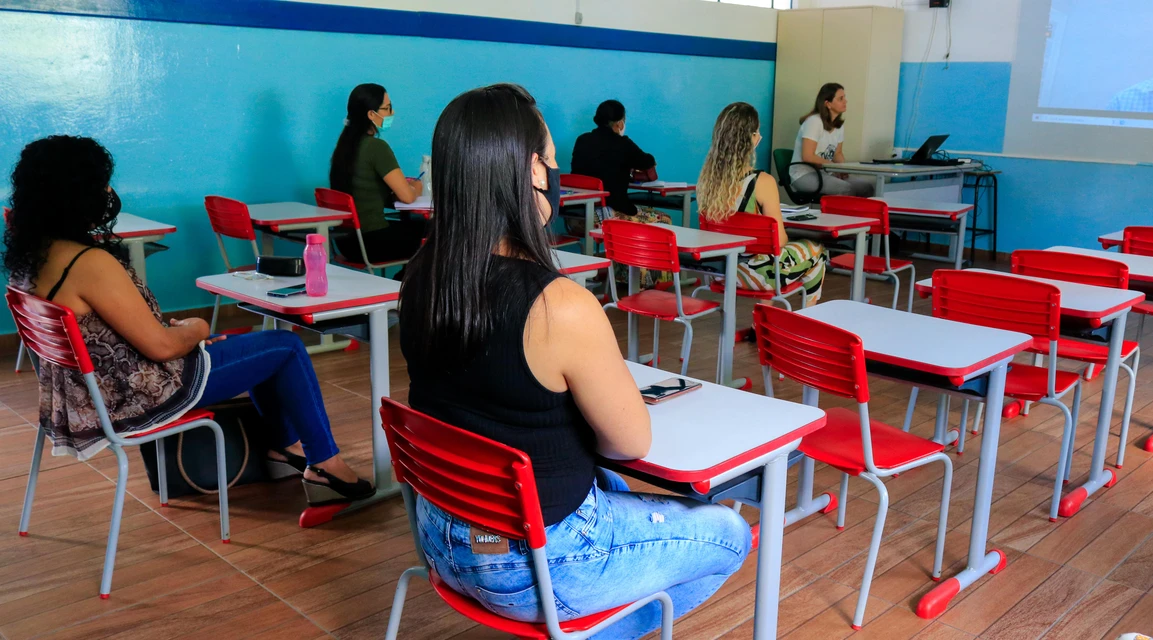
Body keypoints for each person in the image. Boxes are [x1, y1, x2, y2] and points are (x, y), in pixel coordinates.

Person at [399, 84, 750, 639]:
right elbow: (630, 442)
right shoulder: (558, 304)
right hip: (532, 566)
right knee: (731, 534)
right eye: (552, 159)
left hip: (442, 538)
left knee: (610, 484)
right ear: (531, 171)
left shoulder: (420, 277)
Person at [4, 135, 374, 507]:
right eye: (102, 183)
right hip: (142, 394)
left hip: (97, 394)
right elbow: (161, 347)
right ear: (76, 193)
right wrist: (196, 330)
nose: (109, 192)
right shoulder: (88, 263)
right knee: (287, 346)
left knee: (256, 349)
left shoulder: (35, 257)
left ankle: (285, 449)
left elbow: (115, 336)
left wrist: (183, 338)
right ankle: (325, 464)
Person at [700, 102, 829, 307]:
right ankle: (803, 316)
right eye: (757, 132)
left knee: (765, 255)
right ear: (751, 138)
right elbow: (778, 241)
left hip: (719, 271)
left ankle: (762, 318)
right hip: (757, 275)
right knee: (817, 250)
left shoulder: (707, 181)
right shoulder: (762, 181)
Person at [570, 100, 672, 287]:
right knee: (663, 220)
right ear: (619, 123)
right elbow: (647, 160)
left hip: (577, 217)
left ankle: (623, 276)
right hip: (606, 217)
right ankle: (648, 282)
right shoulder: (623, 144)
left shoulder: (582, 140)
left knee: (632, 215)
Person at [329, 83, 427, 269]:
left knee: (417, 228)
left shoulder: (343, 148)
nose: (392, 112)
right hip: (371, 242)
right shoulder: (376, 148)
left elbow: (367, 194)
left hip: (346, 242)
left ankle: (404, 280)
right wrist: (416, 186)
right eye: (387, 108)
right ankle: (407, 282)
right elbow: (407, 197)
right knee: (434, 232)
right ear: (371, 115)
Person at [790, 83, 874, 197]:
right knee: (845, 188)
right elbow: (807, 156)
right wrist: (833, 167)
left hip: (825, 172)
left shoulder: (839, 126)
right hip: (803, 175)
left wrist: (842, 170)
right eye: (840, 99)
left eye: (844, 97)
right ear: (828, 104)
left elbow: (837, 153)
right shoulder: (814, 122)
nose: (845, 101)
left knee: (867, 187)